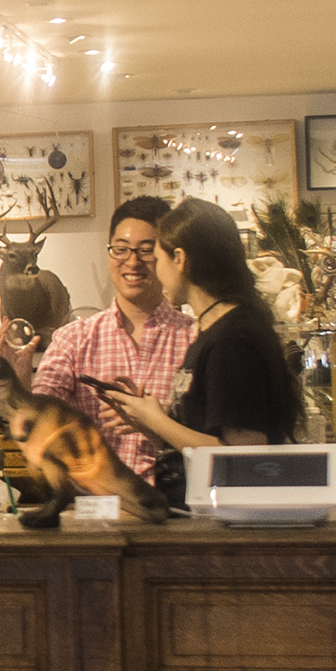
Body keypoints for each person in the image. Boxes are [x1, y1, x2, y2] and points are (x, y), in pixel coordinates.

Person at [98, 198, 305, 500]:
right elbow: (200, 443)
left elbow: (244, 454)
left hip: (227, 517)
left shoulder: (232, 340)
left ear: (179, 259)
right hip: (200, 510)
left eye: (156, 257)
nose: (156, 272)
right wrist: (149, 422)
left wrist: (157, 420)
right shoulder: (212, 332)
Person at [0, 196, 193, 478]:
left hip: (180, 500)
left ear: (170, 255)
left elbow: (214, 441)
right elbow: (40, 426)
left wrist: (157, 424)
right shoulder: (73, 339)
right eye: (120, 249)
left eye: (146, 250)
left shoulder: (195, 338)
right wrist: (18, 379)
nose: (132, 262)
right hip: (97, 501)